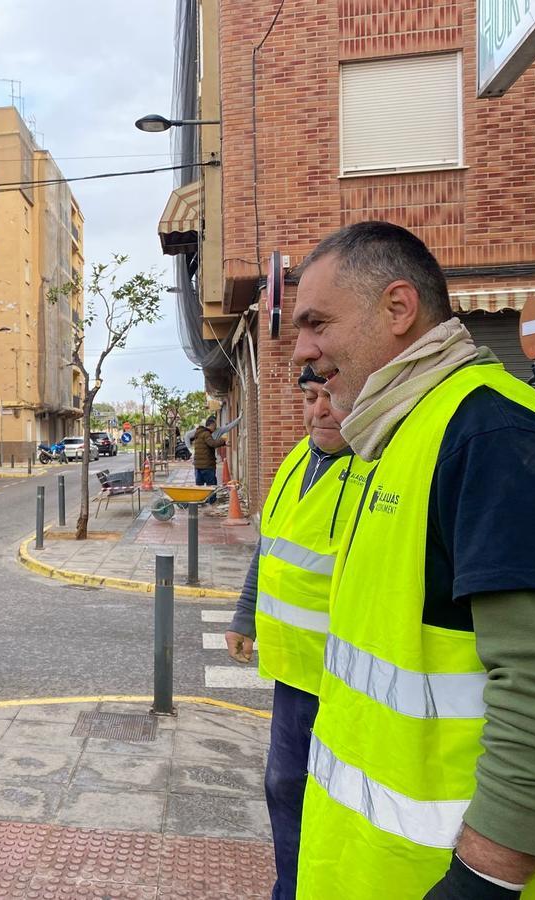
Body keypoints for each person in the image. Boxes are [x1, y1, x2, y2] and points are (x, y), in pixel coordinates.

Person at [291, 221, 535, 898]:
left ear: (398, 307)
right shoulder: (396, 435)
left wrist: (480, 882)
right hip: (374, 869)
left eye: (316, 323)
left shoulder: (494, 438)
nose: (304, 352)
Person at [224, 365, 371, 900]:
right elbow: (270, 546)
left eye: (333, 396)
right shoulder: (294, 461)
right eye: (311, 397)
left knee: (337, 805)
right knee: (284, 787)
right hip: (294, 673)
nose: (320, 410)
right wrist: (245, 615)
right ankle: (289, 887)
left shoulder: (376, 470)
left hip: (351, 681)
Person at [187, 415, 226, 484]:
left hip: (198, 466)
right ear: (212, 425)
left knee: (200, 488)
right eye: (215, 426)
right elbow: (212, 443)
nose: (215, 428)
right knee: (211, 487)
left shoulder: (198, 433)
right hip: (207, 466)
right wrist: (223, 441)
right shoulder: (206, 433)